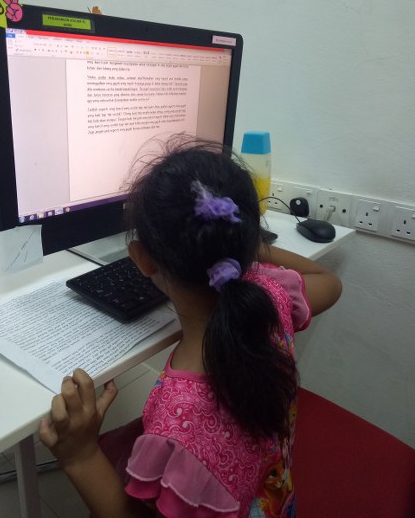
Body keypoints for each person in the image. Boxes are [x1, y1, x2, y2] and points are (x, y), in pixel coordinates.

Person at [39, 138, 342, 518]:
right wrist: (245, 246)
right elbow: (329, 282)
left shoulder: (177, 431)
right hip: (279, 503)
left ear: (142, 260)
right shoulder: (271, 296)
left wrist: (80, 455)